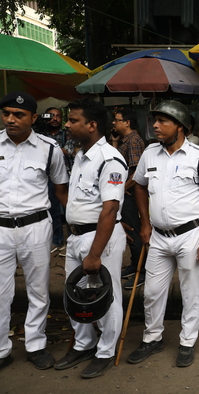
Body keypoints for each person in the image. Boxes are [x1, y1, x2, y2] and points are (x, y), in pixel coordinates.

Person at [126, 100, 199, 368]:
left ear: (180, 127)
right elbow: (139, 187)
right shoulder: (149, 154)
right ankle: (152, 338)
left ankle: (187, 342)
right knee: (153, 292)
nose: (155, 125)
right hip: (157, 236)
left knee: (191, 293)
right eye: (155, 121)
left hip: (189, 235)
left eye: (163, 121)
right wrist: (145, 223)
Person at [54, 98, 127, 378]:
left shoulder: (110, 159)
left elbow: (110, 209)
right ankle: (84, 343)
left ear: (92, 125)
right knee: (75, 296)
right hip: (75, 236)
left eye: (73, 121)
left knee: (106, 297)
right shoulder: (82, 154)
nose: (67, 125)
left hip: (99, 238)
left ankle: (105, 351)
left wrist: (95, 254)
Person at [0, 92, 68, 371]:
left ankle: (36, 345)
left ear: (34, 118)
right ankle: (2, 349)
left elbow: (62, 190)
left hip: (36, 226)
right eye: (6, 113)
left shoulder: (49, 149)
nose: (10, 119)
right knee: (0, 292)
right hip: (1, 228)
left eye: (18, 115)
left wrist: (76, 226)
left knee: (38, 290)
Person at [110, 109, 147, 289]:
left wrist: (122, 189)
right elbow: (116, 163)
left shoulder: (134, 141)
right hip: (125, 193)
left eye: (117, 120)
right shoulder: (125, 140)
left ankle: (142, 271)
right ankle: (134, 265)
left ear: (127, 122)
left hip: (130, 195)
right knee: (129, 231)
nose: (113, 123)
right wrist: (115, 142)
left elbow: (137, 171)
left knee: (133, 231)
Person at [44, 107, 68, 253]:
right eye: (52, 116)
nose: (55, 119)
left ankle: (72, 238)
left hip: (67, 174)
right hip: (48, 176)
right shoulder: (40, 134)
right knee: (52, 209)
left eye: (58, 116)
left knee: (69, 207)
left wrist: (53, 148)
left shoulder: (66, 134)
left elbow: (72, 151)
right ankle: (57, 240)